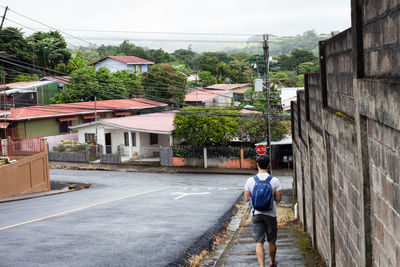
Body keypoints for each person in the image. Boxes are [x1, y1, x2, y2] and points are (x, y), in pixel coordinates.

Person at [244, 154, 282, 267]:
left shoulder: (250, 180)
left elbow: (246, 199)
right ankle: (272, 262)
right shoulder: (274, 180)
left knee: (259, 242)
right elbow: (279, 199)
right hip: (270, 214)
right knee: (271, 240)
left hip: (256, 215)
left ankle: (262, 266)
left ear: (257, 165)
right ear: (269, 165)